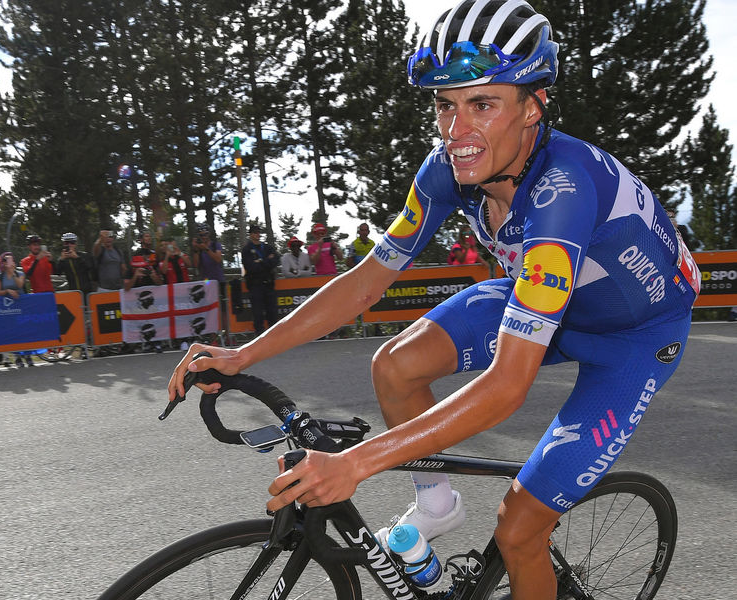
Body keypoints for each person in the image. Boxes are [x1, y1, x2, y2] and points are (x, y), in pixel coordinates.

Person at [168, 2, 699, 598]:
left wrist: (355, 464)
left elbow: (507, 387)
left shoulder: (562, 191)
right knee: (396, 364)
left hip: (632, 338)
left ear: (532, 106)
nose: (457, 130)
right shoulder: (446, 171)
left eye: (482, 104)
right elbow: (368, 280)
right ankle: (436, 504)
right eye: (445, 104)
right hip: (543, 295)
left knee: (520, 531)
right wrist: (245, 354)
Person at [240, 224, 280, 336]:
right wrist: (267, 261)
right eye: (254, 232)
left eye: (258, 232)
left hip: (268, 283)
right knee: (258, 313)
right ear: (250, 234)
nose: (257, 234)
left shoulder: (267, 247)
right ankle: (259, 335)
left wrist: (261, 262)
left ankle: (274, 335)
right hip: (255, 284)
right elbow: (250, 267)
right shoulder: (247, 249)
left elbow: (276, 260)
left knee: (272, 311)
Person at [55, 232, 95, 297]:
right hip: (73, 292)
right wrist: (61, 260)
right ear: (63, 244)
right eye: (66, 243)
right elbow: (58, 273)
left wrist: (77, 258)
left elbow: (90, 267)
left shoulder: (84, 255)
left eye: (72, 242)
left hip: (87, 291)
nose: (69, 245)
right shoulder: (63, 258)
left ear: (76, 244)